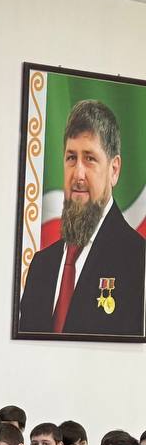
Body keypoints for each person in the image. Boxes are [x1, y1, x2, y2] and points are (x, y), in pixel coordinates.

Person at [17, 100, 145, 339]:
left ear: (114, 170)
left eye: (90, 158)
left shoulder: (138, 261)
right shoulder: (41, 266)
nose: (78, 174)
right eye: (71, 158)